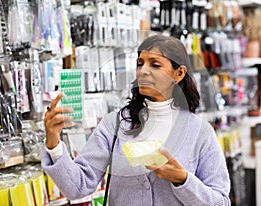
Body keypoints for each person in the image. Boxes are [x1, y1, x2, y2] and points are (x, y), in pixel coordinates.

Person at [42, 34, 231, 206]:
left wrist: (182, 179)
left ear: (178, 74)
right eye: (140, 64)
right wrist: (54, 142)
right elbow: (78, 186)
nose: (143, 71)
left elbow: (221, 202)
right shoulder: (115, 125)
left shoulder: (200, 132)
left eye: (155, 65)